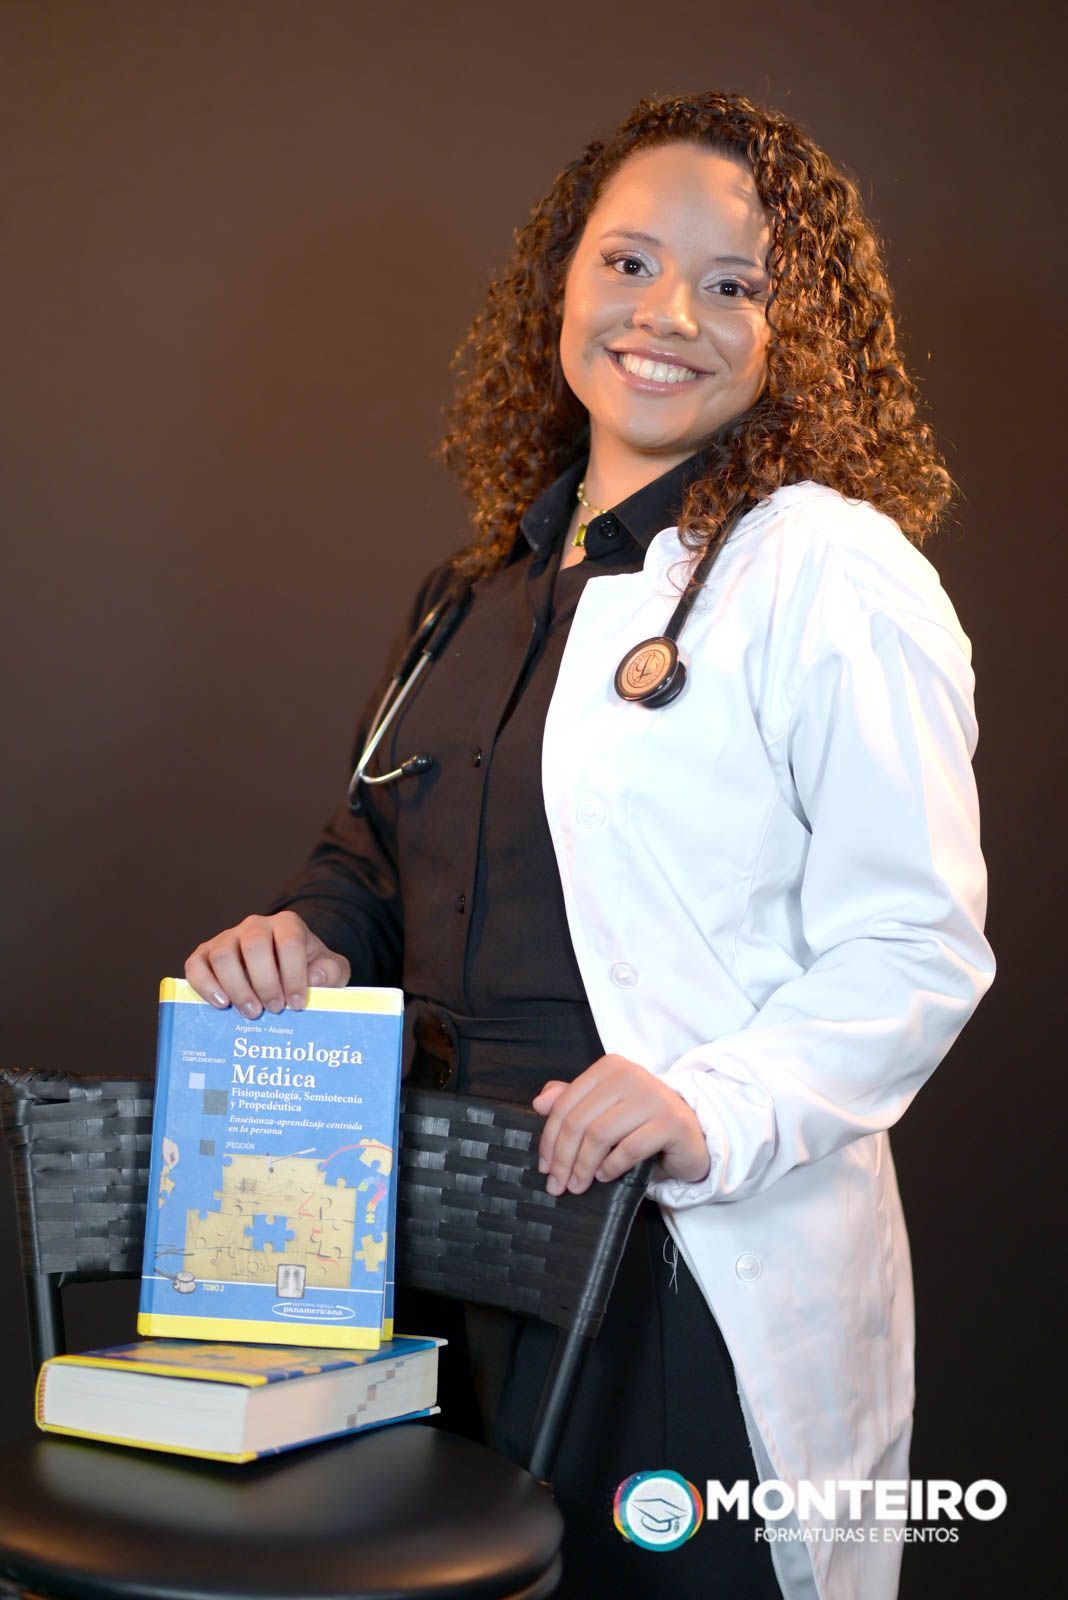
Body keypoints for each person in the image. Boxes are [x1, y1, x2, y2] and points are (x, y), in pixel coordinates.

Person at [184, 91, 994, 1600]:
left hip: (666, 1264)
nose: (666, 313)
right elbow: (379, 846)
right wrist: (308, 932)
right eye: (628, 262)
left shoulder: (823, 569)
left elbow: (916, 942)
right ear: (561, 281)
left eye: (734, 282)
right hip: (428, 1245)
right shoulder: (474, 590)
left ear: (799, 333)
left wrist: (706, 1102)